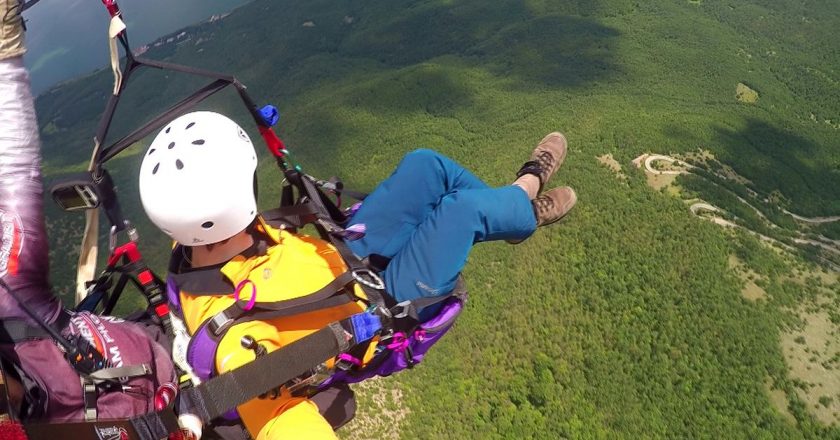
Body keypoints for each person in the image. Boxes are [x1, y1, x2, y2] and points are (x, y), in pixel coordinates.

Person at [140, 110, 577, 439]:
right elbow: (280, 421)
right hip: (384, 305)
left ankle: (512, 213)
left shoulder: (195, 241)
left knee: (427, 166)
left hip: (345, 252)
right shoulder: (236, 344)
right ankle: (525, 192)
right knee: (463, 212)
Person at [0, 0, 176, 424]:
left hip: (160, 365)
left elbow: (14, 173)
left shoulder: (15, 302)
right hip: (168, 383)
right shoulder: (14, 301)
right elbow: (15, 170)